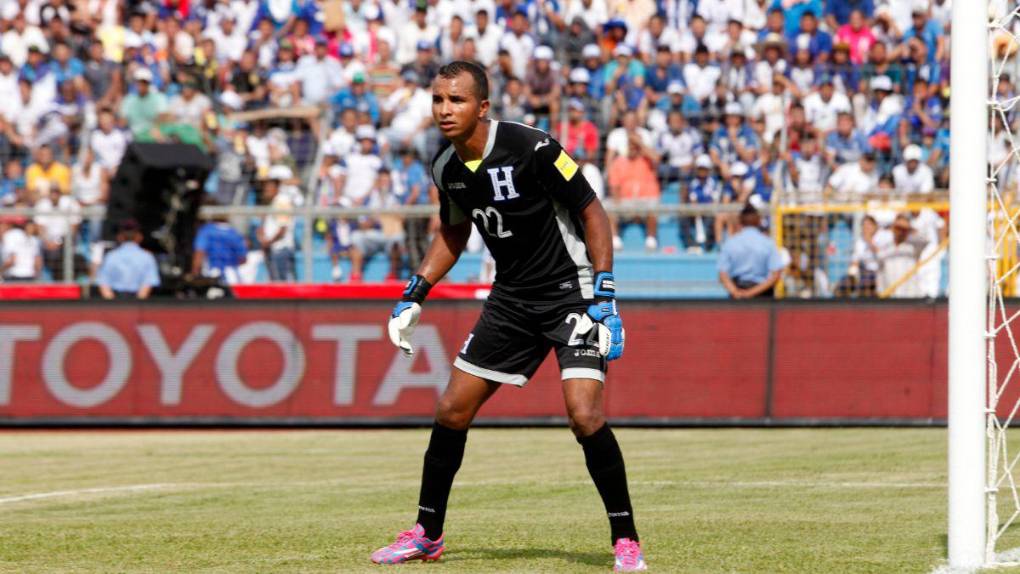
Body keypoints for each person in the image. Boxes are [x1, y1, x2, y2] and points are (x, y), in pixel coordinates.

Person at [372, 61, 644, 571]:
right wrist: (415, 293)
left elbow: (592, 211)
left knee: (584, 415)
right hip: (511, 300)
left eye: (456, 100)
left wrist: (604, 292)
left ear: (483, 106)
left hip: (572, 293)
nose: (444, 110)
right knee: (451, 410)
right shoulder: (445, 168)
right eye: (437, 100)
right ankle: (427, 534)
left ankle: (625, 539)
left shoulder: (531, 146)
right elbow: (453, 234)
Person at [717, 204, 784, 299]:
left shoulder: (730, 243)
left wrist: (735, 292)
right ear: (759, 221)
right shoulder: (768, 243)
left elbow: (722, 274)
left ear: (739, 221)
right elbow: (776, 274)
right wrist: (751, 293)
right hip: (763, 296)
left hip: (737, 294)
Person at [96, 219, 160, 299]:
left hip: (115, 302)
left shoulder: (111, 256)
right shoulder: (147, 257)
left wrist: (113, 305)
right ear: (139, 237)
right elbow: (147, 285)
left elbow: (104, 284)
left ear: (120, 237)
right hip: (138, 303)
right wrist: (137, 305)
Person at [192, 211, 248, 285]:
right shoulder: (235, 233)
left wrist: (195, 273)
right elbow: (243, 258)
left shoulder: (206, 231)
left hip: (211, 273)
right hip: (232, 276)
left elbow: (200, 252)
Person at [0, 216, 41, 282]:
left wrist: (1, 270)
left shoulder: (11, 235)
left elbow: (12, 260)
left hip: (14, 275)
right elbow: (37, 261)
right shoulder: (34, 239)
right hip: (29, 275)